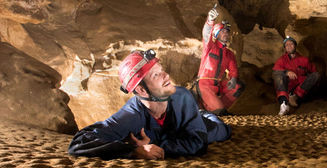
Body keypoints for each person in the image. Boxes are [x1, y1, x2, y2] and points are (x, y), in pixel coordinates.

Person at [68, 50, 232, 160]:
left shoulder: (182, 96)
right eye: (156, 75)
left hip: (192, 125)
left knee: (224, 131)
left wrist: (157, 146)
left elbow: (198, 145)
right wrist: (132, 151)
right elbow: (79, 143)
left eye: (162, 70)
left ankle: (202, 114)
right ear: (141, 89)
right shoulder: (131, 114)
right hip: (174, 134)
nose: (166, 75)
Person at [195, 5, 245, 116]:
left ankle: (216, 108)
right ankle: (217, 109)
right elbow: (206, 34)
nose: (225, 34)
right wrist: (210, 20)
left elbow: (233, 69)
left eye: (227, 32)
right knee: (220, 111)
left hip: (217, 85)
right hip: (205, 84)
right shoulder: (210, 47)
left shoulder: (229, 54)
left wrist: (233, 78)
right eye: (222, 32)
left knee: (239, 85)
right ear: (217, 34)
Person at [272, 36, 321, 115]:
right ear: (285, 48)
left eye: (291, 44)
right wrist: (286, 72)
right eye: (287, 45)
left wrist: (311, 87)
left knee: (316, 75)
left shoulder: (304, 60)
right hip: (288, 88)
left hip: (300, 88)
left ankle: (295, 96)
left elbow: (313, 72)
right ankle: (284, 104)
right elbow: (275, 71)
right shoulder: (282, 60)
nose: (289, 46)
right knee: (279, 75)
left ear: (295, 46)